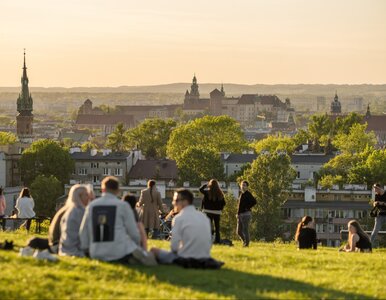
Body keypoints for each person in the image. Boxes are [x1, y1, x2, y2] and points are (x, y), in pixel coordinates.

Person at [80, 176, 156, 265]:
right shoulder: (123, 206)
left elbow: (83, 232)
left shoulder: (91, 206)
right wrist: (137, 246)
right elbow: (134, 233)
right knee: (150, 258)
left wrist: (86, 250)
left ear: (102, 189)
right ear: (118, 191)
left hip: (96, 253)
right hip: (120, 253)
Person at [151, 188, 212, 264]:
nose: (173, 203)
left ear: (185, 202)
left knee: (153, 250)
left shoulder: (178, 218)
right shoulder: (203, 217)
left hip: (185, 258)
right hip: (205, 257)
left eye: (176, 200)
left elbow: (174, 248)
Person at [59, 184, 90, 257]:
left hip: (64, 249)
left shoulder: (68, 211)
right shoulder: (81, 212)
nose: (88, 197)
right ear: (79, 197)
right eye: (86, 195)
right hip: (77, 250)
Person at [199, 179, 226, 244]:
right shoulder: (220, 193)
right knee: (217, 227)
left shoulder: (207, 192)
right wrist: (220, 209)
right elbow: (224, 203)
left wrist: (205, 184)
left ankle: (208, 240)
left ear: (210, 185)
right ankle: (217, 240)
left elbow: (200, 189)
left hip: (208, 211)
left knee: (208, 227)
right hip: (217, 212)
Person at [236, 181, 257, 247]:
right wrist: (238, 213)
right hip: (240, 215)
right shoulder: (242, 194)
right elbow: (240, 206)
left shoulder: (248, 194)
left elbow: (254, 202)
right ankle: (244, 241)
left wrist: (247, 207)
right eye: (242, 185)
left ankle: (246, 244)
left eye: (244, 185)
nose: (243, 186)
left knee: (245, 230)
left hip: (246, 215)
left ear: (247, 187)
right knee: (238, 231)